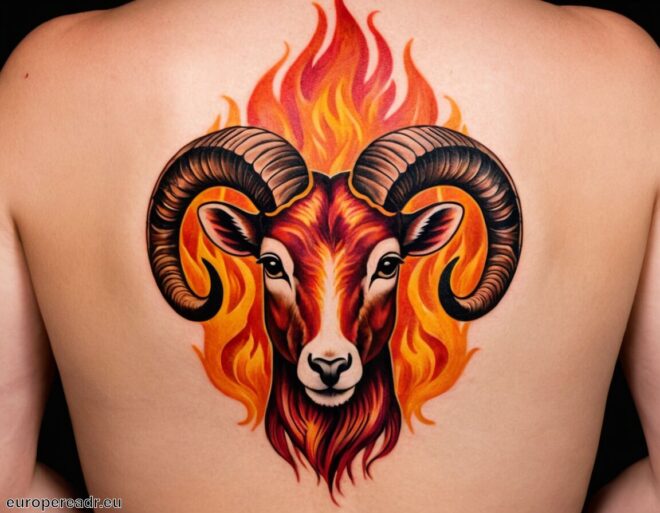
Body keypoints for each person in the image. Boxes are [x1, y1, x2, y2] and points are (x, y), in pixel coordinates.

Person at [0, 1, 658, 512]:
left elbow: (8, 493)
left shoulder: (51, 82)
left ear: (434, 237)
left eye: (390, 263)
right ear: (229, 237)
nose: (330, 349)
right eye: (272, 264)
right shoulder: (619, 75)